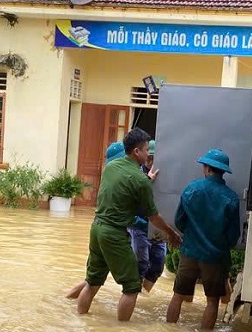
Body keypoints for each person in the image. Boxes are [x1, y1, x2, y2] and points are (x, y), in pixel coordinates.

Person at [75, 128, 181, 321]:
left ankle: (80, 320)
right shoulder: (139, 180)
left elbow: (123, 189)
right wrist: (171, 233)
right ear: (136, 152)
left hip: (96, 228)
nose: (149, 154)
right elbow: (154, 216)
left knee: (92, 282)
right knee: (132, 286)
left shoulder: (112, 168)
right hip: (114, 234)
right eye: (146, 149)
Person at [166, 148, 241, 330]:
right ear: (223, 171)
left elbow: (179, 221)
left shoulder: (192, 189)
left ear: (207, 168)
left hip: (189, 252)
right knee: (212, 302)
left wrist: (191, 236)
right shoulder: (231, 198)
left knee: (177, 295)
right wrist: (221, 247)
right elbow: (233, 235)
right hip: (215, 257)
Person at [65, 141, 126, 300]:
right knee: (95, 281)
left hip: (98, 230)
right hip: (110, 234)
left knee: (92, 280)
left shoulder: (109, 175)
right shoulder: (119, 176)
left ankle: (66, 300)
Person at [128, 139, 168, 293]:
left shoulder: (166, 176)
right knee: (141, 264)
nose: (150, 161)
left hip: (158, 228)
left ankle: (142, 297)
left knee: (158, 265)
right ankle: (132, 295)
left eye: (154, 158)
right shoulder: (137, 175)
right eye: (149, 157)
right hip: (139, 226)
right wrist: (148, 181)